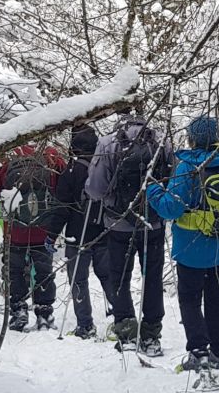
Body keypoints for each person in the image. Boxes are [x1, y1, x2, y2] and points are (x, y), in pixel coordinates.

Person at [147, 116, 219, 372]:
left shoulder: (187, 167)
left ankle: (199, 352)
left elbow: (171, 209)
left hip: (190, 250)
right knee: (217, 298)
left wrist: (152, 191)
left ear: (192, 138)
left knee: (190, 299)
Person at [86, 113, 174, 356]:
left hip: (119, 224)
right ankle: (151, 334)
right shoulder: (160, 141)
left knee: (120, 277)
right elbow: (172, 179)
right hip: (152, 223)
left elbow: (96, 189)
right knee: (152, 278)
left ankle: (126, 328)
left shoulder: (108, 143)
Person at [0, 143, 69, 332]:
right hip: (43, 225)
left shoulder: (8, 155)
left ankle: (19, 309)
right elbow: (65, 183)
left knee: (14, 270)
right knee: (44, 271)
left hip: (15, 228)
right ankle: (44, 313)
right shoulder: (51, 154)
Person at [56, 125, 107, 339]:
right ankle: (123, 320)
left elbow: (61, 207)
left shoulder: (71, 171)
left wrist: (50, 234)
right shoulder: (104, 165)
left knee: (78, 280)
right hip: (103, 231)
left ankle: (85, 325)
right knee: (108, 277)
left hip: (77, 235)